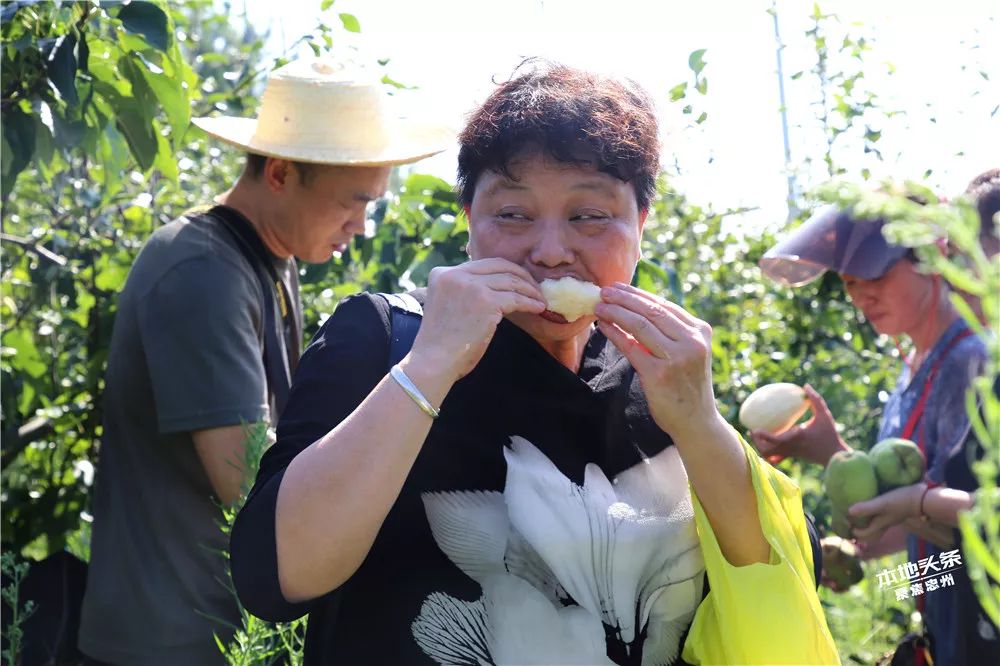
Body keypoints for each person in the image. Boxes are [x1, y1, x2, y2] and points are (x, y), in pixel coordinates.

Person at [230, 62, 837, 665]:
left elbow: (785, 578)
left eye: (589, 216)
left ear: (641, 226)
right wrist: (430, 367)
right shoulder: (388, 338)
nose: (550, 252)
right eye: (513, 215)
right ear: (469, 222)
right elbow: (275, 577)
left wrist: (701, 425)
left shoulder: (658, 374)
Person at [77, 58, 451, 665]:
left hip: (219, 630)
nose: (361, 226)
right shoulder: (203, 271)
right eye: (352, 202)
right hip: (172, 642)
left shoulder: (269, 259)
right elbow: (247, 480)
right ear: (280, 173)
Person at [756, 190, 999, 665]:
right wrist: (854, 546)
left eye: (876, 276)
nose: (861, 296)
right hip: (953, 623)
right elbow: (938, 541)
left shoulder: (976, 364)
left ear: (930, 257)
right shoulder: (915, 369)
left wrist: (914, 505)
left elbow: (972, 519)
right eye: (849, 282)